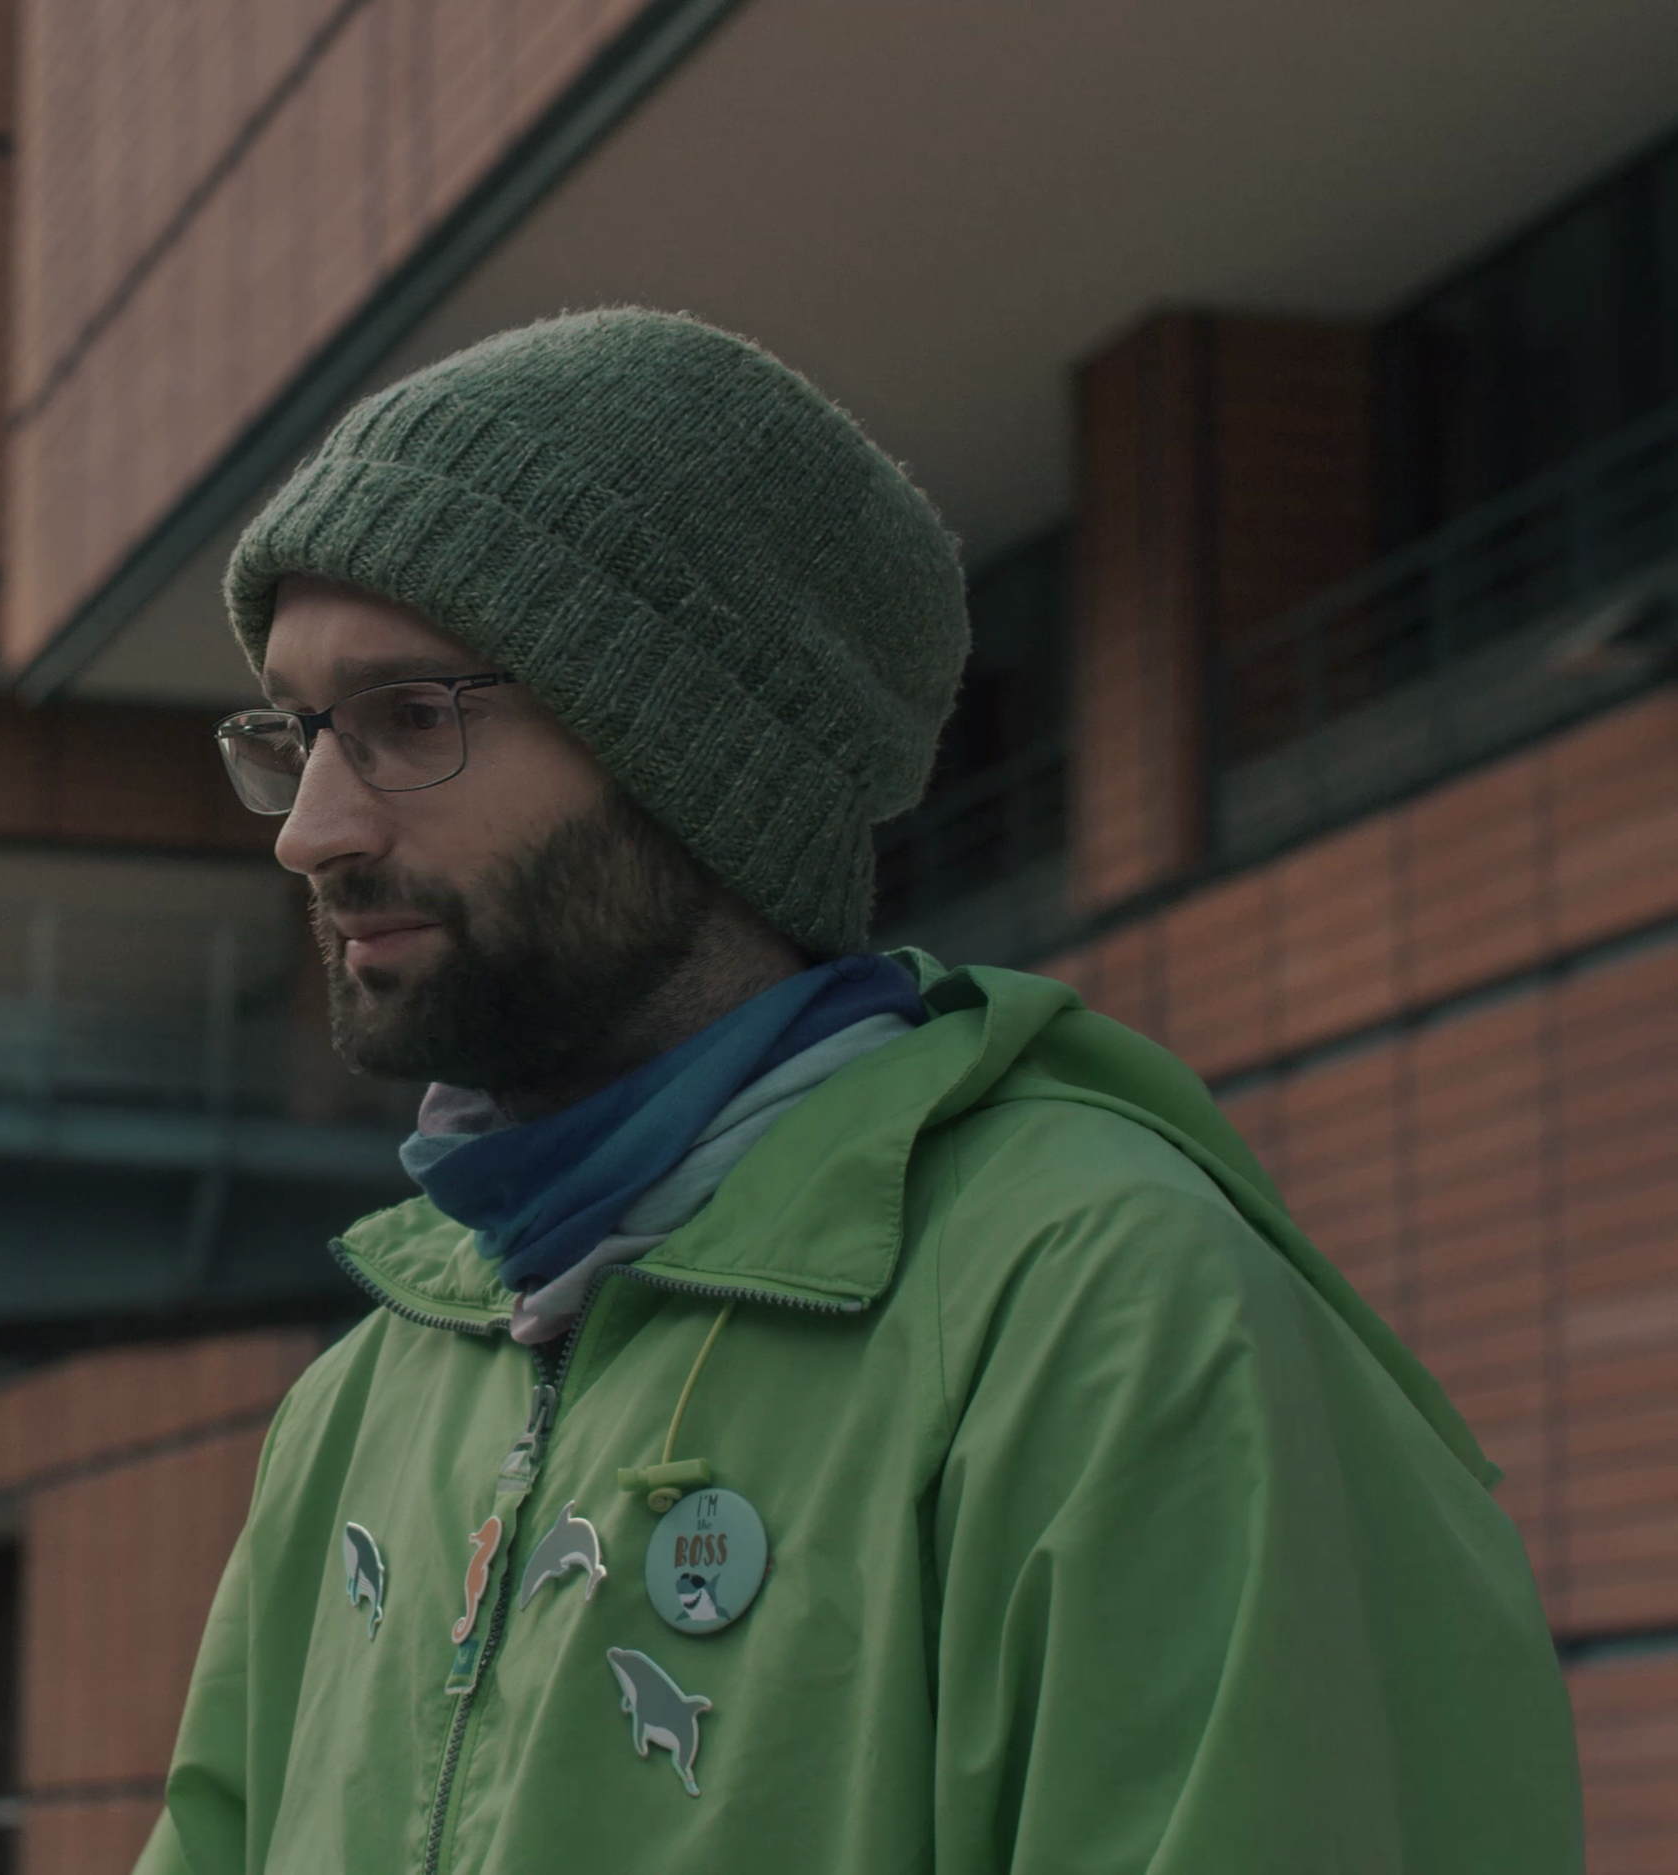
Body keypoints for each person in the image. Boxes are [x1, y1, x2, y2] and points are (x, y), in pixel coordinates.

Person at [135, 309, 1582, 1873]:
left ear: (692, 755)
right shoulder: (365, 1398)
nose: (311, 829)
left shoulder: (1103, 1311)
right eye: (295, 734)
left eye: (412, 719)